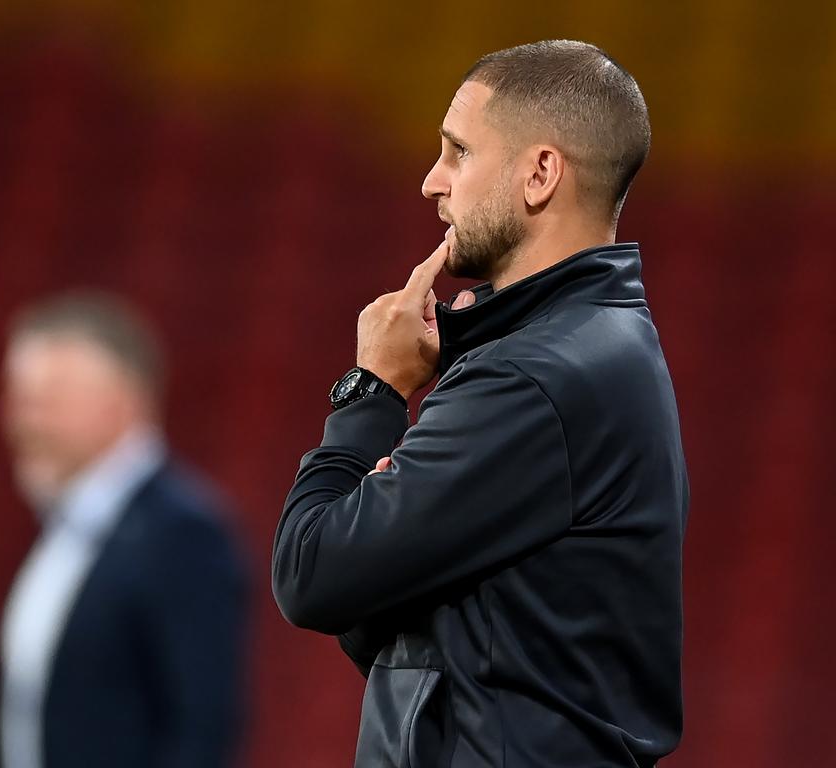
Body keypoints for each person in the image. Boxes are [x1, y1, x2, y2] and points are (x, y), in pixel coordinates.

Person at [272, 40, 688, 767]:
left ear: (540, 173)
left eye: (458, 152)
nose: (432, 183)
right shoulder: (581, 349)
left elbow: (313, 574)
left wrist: (373, 389)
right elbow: (394, 625)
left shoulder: (539, 377)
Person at [0, 292, 248, 768]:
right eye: (19, 400)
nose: (21, 422)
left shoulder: (184, 534)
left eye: (44, 401)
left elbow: (201, 730)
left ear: (122, 402)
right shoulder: (61, 535)